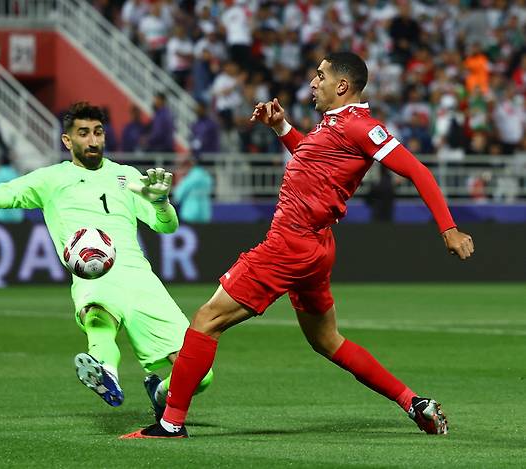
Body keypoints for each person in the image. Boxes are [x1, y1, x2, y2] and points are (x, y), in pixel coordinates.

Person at [122, 52, 474, 439]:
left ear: (342, 85)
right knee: (327, 341)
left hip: (290, 244)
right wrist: (282, 127)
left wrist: (448, 229)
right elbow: (314, 164)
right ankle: (414, 403)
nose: (312, 82)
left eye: (320, 75)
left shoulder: (362, 126)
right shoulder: (334, 125)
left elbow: (417, 171)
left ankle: (170, 423)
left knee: (207, 320)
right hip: (315, 246)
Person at [0, 102, 213, 415]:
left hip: (141, 278)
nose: (93, 141)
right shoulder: (51, 179)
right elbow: (6, 194)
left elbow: (167, 226)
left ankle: (159, 394)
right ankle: (105, 371)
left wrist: (161, 203)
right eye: (83, 133)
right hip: (95, 276)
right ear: (68, 141)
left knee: (201, 375)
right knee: (99, 319)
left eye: (98, 132)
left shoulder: (126, 175)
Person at [173, 154, 213, 224]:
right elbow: (210, 189)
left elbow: (178, 195)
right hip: (204, 213)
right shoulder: (206, 176)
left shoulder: (189, 177)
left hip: (190, 213)